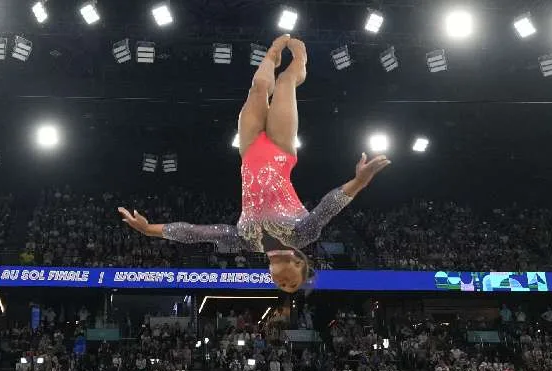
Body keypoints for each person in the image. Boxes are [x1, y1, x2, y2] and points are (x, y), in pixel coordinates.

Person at [118, 35, 391, 293]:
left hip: (249, 152)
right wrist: (360, 181)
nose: (283, 284)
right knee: (284, 82)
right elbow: (327, 208)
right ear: (300, 265)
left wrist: (150, 230)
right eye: (292, 285)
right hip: (281, 151)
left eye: (280, 287)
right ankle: (300, 65)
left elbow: (197, 233)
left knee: (259, 88)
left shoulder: (246, 241)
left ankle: (272, 55)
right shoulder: (302, 236)